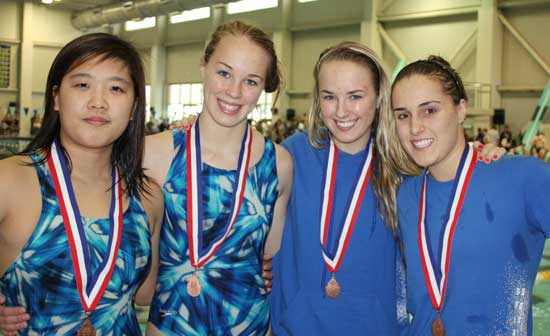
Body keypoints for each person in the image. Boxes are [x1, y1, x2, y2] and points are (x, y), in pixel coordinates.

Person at [0, 33, 163, 335]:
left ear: (133, 108)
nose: (98, 102)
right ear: (57, 98)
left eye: (116, 88)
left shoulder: (148, 197)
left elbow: (146, 293)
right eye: (82, 85)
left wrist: (239, 259)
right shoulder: (10, 180)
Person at [142, 21, 292, 335]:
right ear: (203, 65)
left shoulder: (277, 165)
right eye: (224, 73)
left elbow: (269, 260)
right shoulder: (154, 155)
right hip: (172, 325)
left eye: (250, 81)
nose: (234, 92)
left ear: (264, 87)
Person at [389, 55, 550, 335]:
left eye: (429, 110)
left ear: (461, 109)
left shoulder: (523, 178)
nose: (415, 128)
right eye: (403, 115)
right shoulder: (404, 194)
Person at [270, 41, 412, 335]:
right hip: (296, 328)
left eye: (356, 96)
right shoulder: (290, 156)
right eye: (330, 97)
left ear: (378, 98)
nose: (342, 110)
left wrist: (487, 157)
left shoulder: (401, 168)